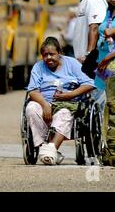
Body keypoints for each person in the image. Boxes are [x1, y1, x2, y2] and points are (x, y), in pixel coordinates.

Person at [26, 37, 95, 165]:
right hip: (44, 101)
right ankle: (45, 149)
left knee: (64, 113)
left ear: (60, 53)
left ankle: (50, 150)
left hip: (68, 103)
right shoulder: (38, 67)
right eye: (45, 55)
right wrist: (45, 105)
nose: (48, 58)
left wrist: (70, 95)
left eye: (52, 54)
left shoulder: (72, 64)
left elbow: (89, 84)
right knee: (31, 108)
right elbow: (33, 91)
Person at [69, 0, 108, 72]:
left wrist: (89, 55)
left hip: (90, 61)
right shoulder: (84, 0)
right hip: (82, 60)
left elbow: (95, 27)